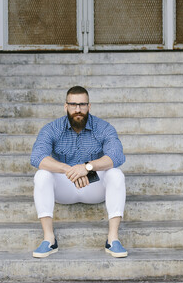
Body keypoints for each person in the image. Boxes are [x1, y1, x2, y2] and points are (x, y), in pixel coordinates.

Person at [30, 85, 127, 258]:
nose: (78, 109)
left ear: (89, 106)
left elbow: (117, 156)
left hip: (93, 183)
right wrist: (70, 169)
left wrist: (87, 167)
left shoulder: (103, 127)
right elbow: (37, 157)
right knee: (42, 175)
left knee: (116, 174)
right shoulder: (52, 128)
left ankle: (113, 239)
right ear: (65, 106)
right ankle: (49, 239)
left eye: (82, 105)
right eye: (73, 105)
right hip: (63, 183)